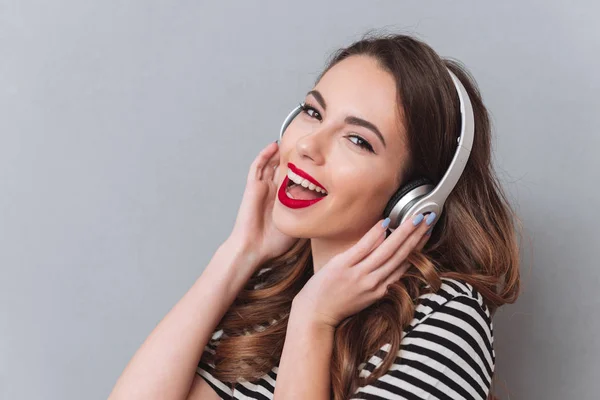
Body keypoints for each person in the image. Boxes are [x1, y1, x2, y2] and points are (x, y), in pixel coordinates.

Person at [109, 32, 521, 400]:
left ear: (412, 198)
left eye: (357, 140)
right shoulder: (273, 304)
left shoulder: (446, 321)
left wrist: (314, 320)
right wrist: (239, 254)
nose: (309, 145)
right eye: (313, 113)